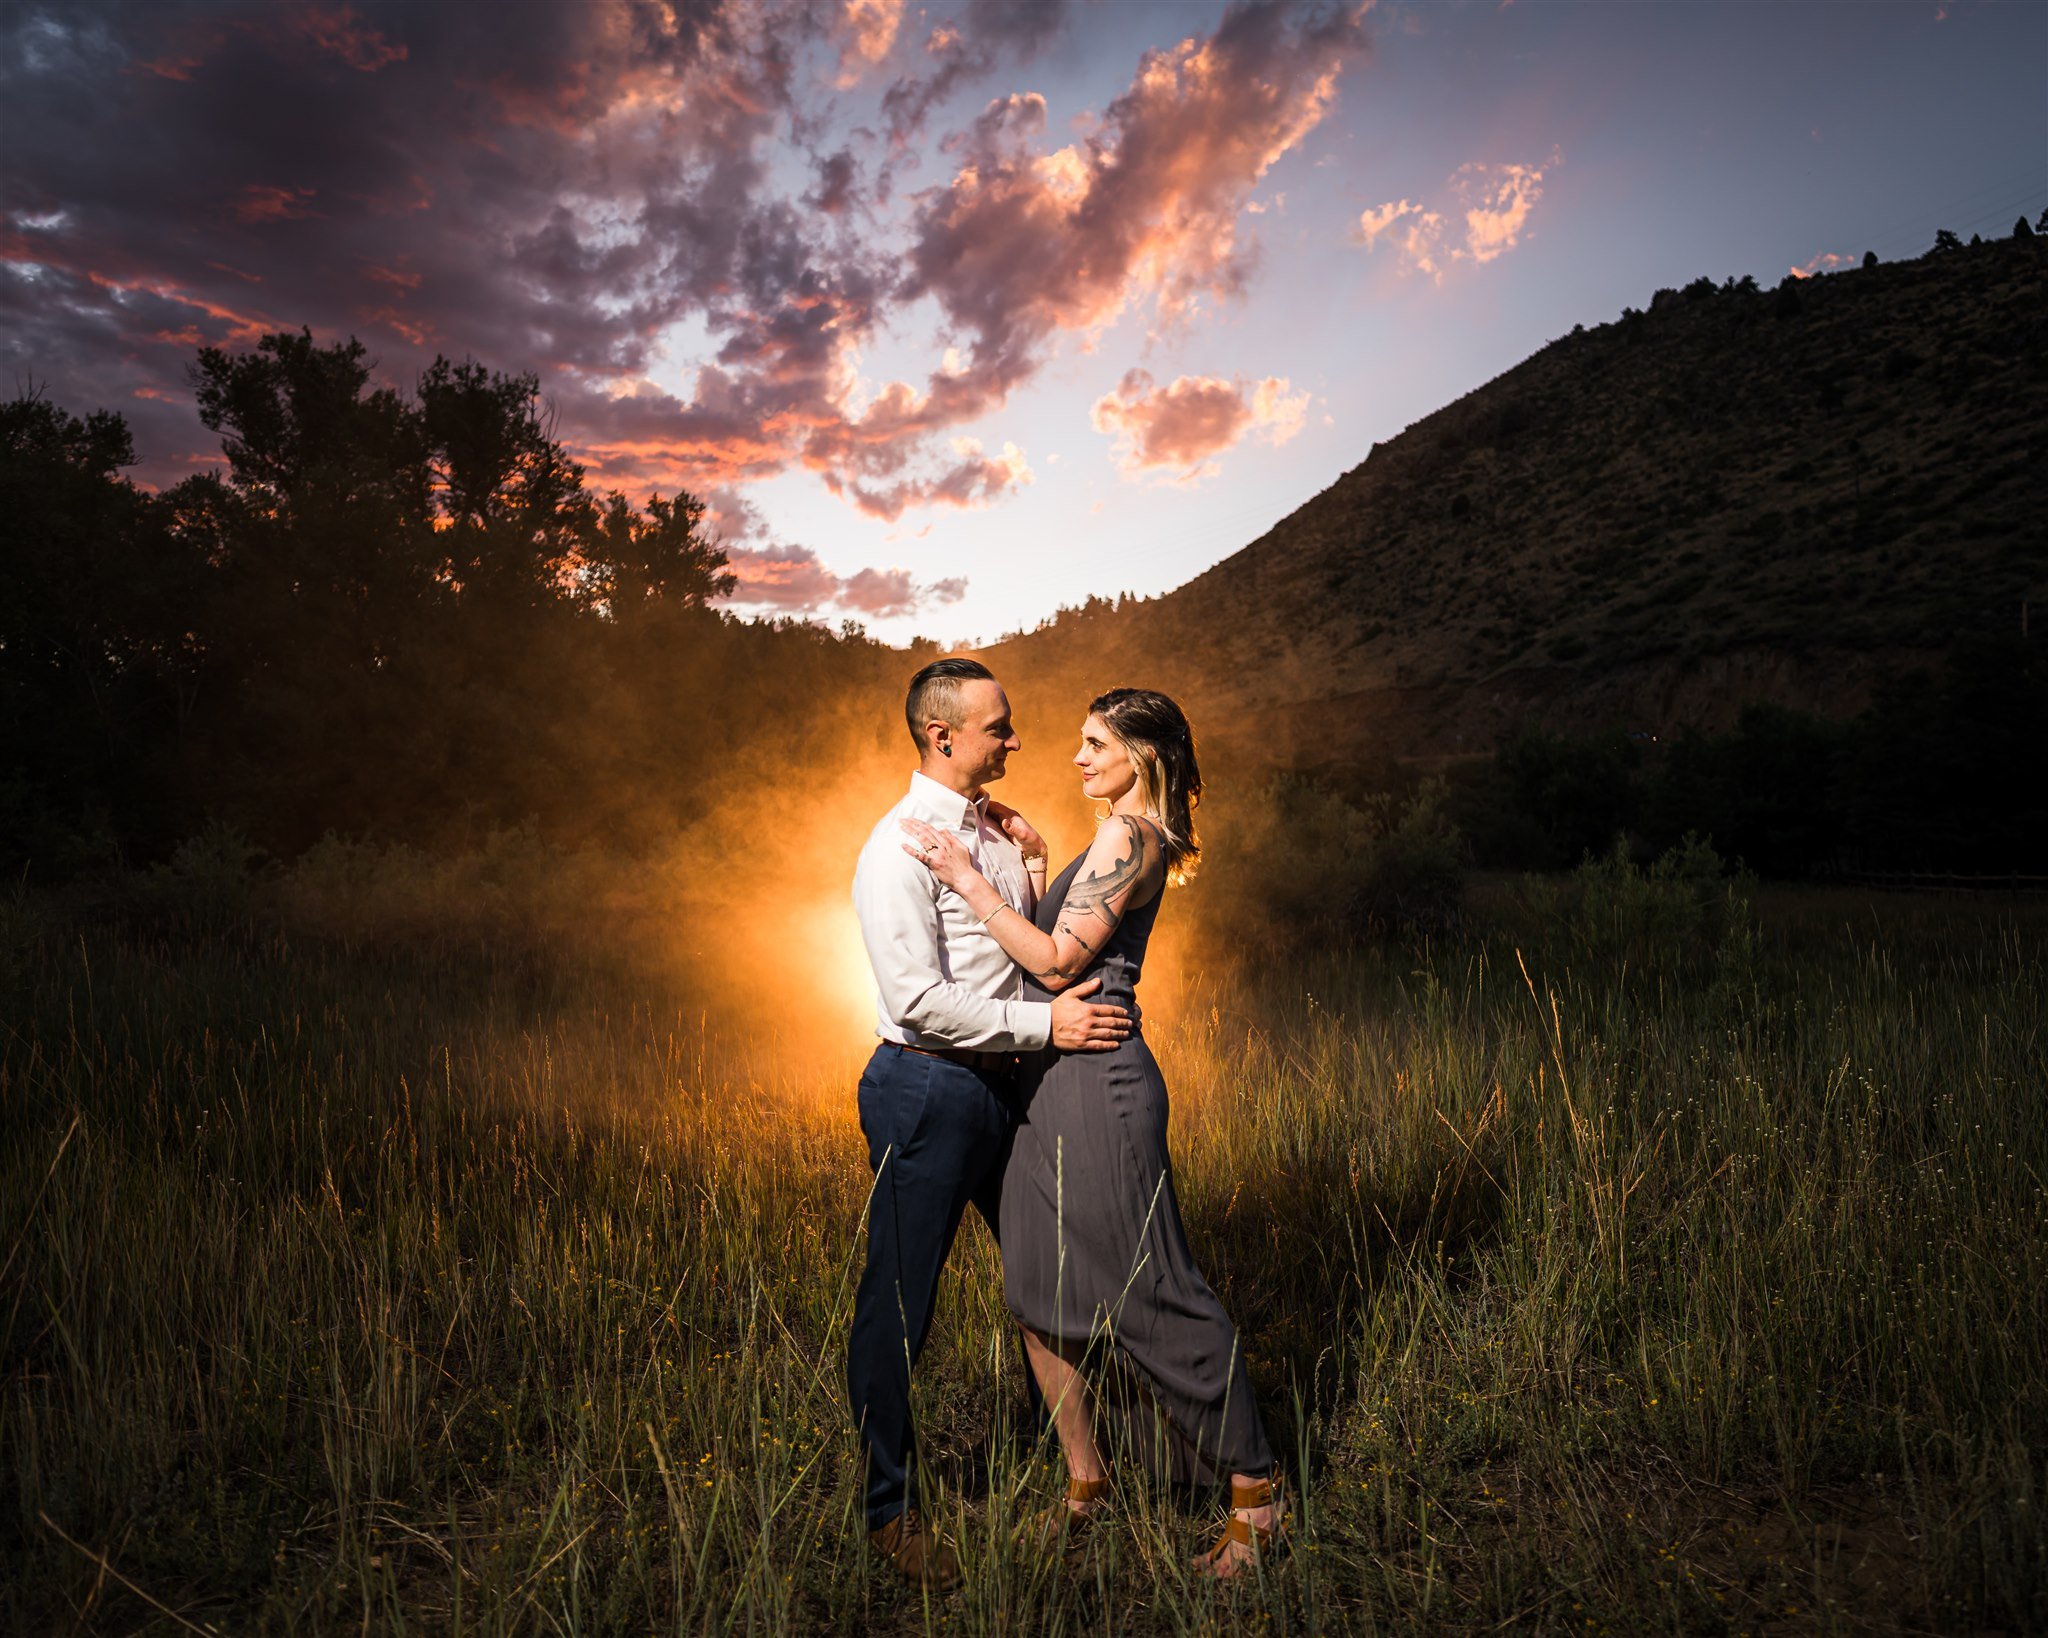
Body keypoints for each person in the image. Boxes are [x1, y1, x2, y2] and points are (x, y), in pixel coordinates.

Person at [898, 686, 1285, 1579]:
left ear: (1141, 756)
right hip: (1048, 1076)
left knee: (1151, 1287)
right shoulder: (1111, 835)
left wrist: (963, 875)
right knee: (1035, 1287)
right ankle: (1088, 1480)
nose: (1075, 758)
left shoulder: (1129, 836)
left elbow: (1058, 964)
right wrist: (1036, 868)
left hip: (1099, 1081)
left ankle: (1257, 1494)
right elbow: (1056, 944)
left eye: (1095, 744)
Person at [849, 656, 1132, 1589]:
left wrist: (1036, 866)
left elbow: (1025, 953)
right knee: (900, 1303)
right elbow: (918, 1001)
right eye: (998, 726)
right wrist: (1050, 1028)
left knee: (1050, 1278)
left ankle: (1091, 1475)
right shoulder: (897, 847)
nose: (1015, 738)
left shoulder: (997, 835)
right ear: (942, 735)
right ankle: (888, 1515)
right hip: (926, 1089)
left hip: (1006, 1091)